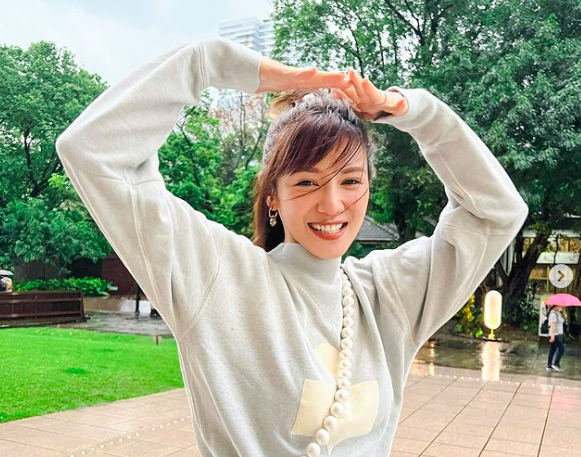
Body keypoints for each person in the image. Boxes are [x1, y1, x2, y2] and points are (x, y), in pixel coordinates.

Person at [55, 38, 528, 457]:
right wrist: (222, 65)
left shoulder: (388, 294)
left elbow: (495, 212)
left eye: (350, 181)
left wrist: (403, 109)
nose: (332, 203)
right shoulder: (219, 277)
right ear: (273, 196)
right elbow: (94, 151)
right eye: (306, 182)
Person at [546, 305, 566, 372]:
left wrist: (563, 309)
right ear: (555, 306)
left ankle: (549, 366)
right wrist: (552, 336)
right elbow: (552, 325)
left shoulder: (558, 313)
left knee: (552, 350)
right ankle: (556, 364)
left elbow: (564, 317)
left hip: (558, 334)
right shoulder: (553, 314)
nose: (560, 306)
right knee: (562, 349)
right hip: (555, 334)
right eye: (559, 305)